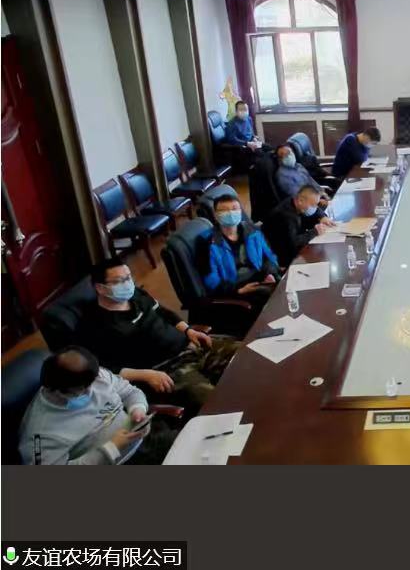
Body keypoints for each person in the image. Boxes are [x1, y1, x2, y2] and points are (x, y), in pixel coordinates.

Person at [68, 259, 241, 411]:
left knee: (248, 355)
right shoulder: (93, 325)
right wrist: (147, 375)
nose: (128, 284)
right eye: (120, 281)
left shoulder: (136, 294)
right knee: (217, 404)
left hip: (191, 345)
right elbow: (104, 369)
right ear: (100, 288)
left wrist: (189, 330)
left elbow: (164, 313)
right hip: (167, 369)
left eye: (129, 277)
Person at [19, 347, 177, 465]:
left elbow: (130, 392)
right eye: (85, 388)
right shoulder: (41, 434)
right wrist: (112, 448)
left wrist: (138, 409)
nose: (94, 388)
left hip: (148, 439)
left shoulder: (95, 375)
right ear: (59, 390)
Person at [197, 194, 281, 324]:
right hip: (235, 288)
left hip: (260, 279)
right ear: (215, 215)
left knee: (287, 291)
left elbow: (270, 257)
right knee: (274, 310)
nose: (231, 213)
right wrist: (237, 290)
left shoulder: (253, 230)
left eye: (234, 209)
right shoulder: (206, 242)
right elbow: (211, 281)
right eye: (224, 210)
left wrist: (270, 273)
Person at [264, 184, 334, 266]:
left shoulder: (295, 202)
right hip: (279, 254)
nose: (315, 208)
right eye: (313, 205)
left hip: (288, 245)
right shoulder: (287, 216)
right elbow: (293, 243)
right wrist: (315, 232)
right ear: (300, 201)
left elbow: (314, 210)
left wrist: (322, 217)